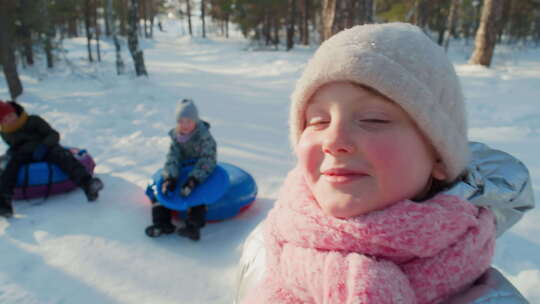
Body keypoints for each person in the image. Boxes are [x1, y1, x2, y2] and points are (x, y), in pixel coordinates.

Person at [235, 23, 535, 304]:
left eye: (373, 119)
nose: (333, 139)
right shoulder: (269, 242)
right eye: (318, 120)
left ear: (439, 157)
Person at [0, 100, 104, 218]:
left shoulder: (33, 120)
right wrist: (12, 153)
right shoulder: (5, 132)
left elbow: (53, 134)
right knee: (11, 168)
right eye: (5, 119)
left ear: (15, 112)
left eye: (10, 115)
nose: (10, 120)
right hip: (24, 154)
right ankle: (4, 202)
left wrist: (44, 146)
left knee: (63, 156)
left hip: (46, 148)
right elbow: (14, 146)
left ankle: (87, 184)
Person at [145, 99, 217, 241]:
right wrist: (170, 178)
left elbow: (208, 160)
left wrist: (193, 180)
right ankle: (162, 224)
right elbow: (173, 158)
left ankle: (193, 227)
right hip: (182, 173)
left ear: (195, 121)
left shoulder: (205, 138)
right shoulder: (177, 137)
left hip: (199, 174)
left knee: (197, 196)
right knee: (160, 192)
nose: (184, 125)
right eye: (180, 121)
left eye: (188, 121)